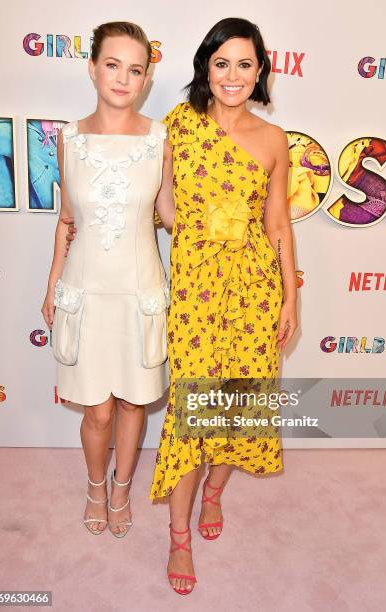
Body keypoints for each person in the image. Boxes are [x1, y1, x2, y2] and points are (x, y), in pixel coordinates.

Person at [152, 18, 297, 595]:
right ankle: (179, 535)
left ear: (259, 70)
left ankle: (215, 492)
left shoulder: (273, 139)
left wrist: (291, 295)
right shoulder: (177, 127)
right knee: (194, 411)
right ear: (205, 68)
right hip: (194, 288)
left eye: (244, 64)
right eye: (222, 63)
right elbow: (163, 209)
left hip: (254, 288)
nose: (233, 75)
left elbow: (279, 222)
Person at [41, 21, 174, 538]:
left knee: (134, 402)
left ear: (145, 78)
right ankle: (96, 487)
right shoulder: (70, 139)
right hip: (86, 290)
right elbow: (66, 219)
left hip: (140, 291)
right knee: (97, 410)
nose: (123, 78)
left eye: (134, 69)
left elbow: (170, 216)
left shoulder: (160, 139)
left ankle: (122, 490)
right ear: (92, 66)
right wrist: (52, 283)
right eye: (112, 64)